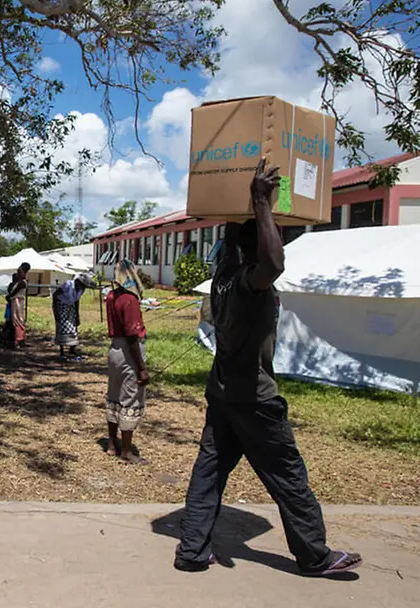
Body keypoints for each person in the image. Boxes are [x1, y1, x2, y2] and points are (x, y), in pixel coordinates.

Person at [174, 159, 362, 576]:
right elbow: (274, 263)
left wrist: (243, 204)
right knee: (288, 477)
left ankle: (191, 551)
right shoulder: (247, 283)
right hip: (254, 399)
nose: (277, 237)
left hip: (222, 395)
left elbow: (242, 238)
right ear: (256, 242)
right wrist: (261, 201)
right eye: (272, 233)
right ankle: (314, 556)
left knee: (208, 474)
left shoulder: (222, 274)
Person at [105, 259, 149, 465]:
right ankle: (126, 451)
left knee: (113, 395)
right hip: (128, 352)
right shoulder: (130, 299)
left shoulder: (112, 296)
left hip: (114, 350)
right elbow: (132, 334)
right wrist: (141, 367)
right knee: (130, 397)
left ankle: (112, 445)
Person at [53, 276, 91, 360]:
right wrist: (56, 311)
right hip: (61, 306)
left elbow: (77, 301)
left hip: (71, 307)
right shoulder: (68, 284)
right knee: (61, 327)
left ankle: (72, 348)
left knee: (73, 327)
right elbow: (55, 295)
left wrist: (77, 315)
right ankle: (62, 351)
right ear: (77, 282)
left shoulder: (81, 289)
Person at [7, 263, 30, 348]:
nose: (18, 274)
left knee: (17, 320)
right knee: (17, 319)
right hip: (16, 301)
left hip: (17, 302)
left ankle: (18, 340)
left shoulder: (22, 283)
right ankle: (20, 339)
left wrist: (9, 297)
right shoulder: (19, 282)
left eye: (20, 272)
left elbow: (13, 293)